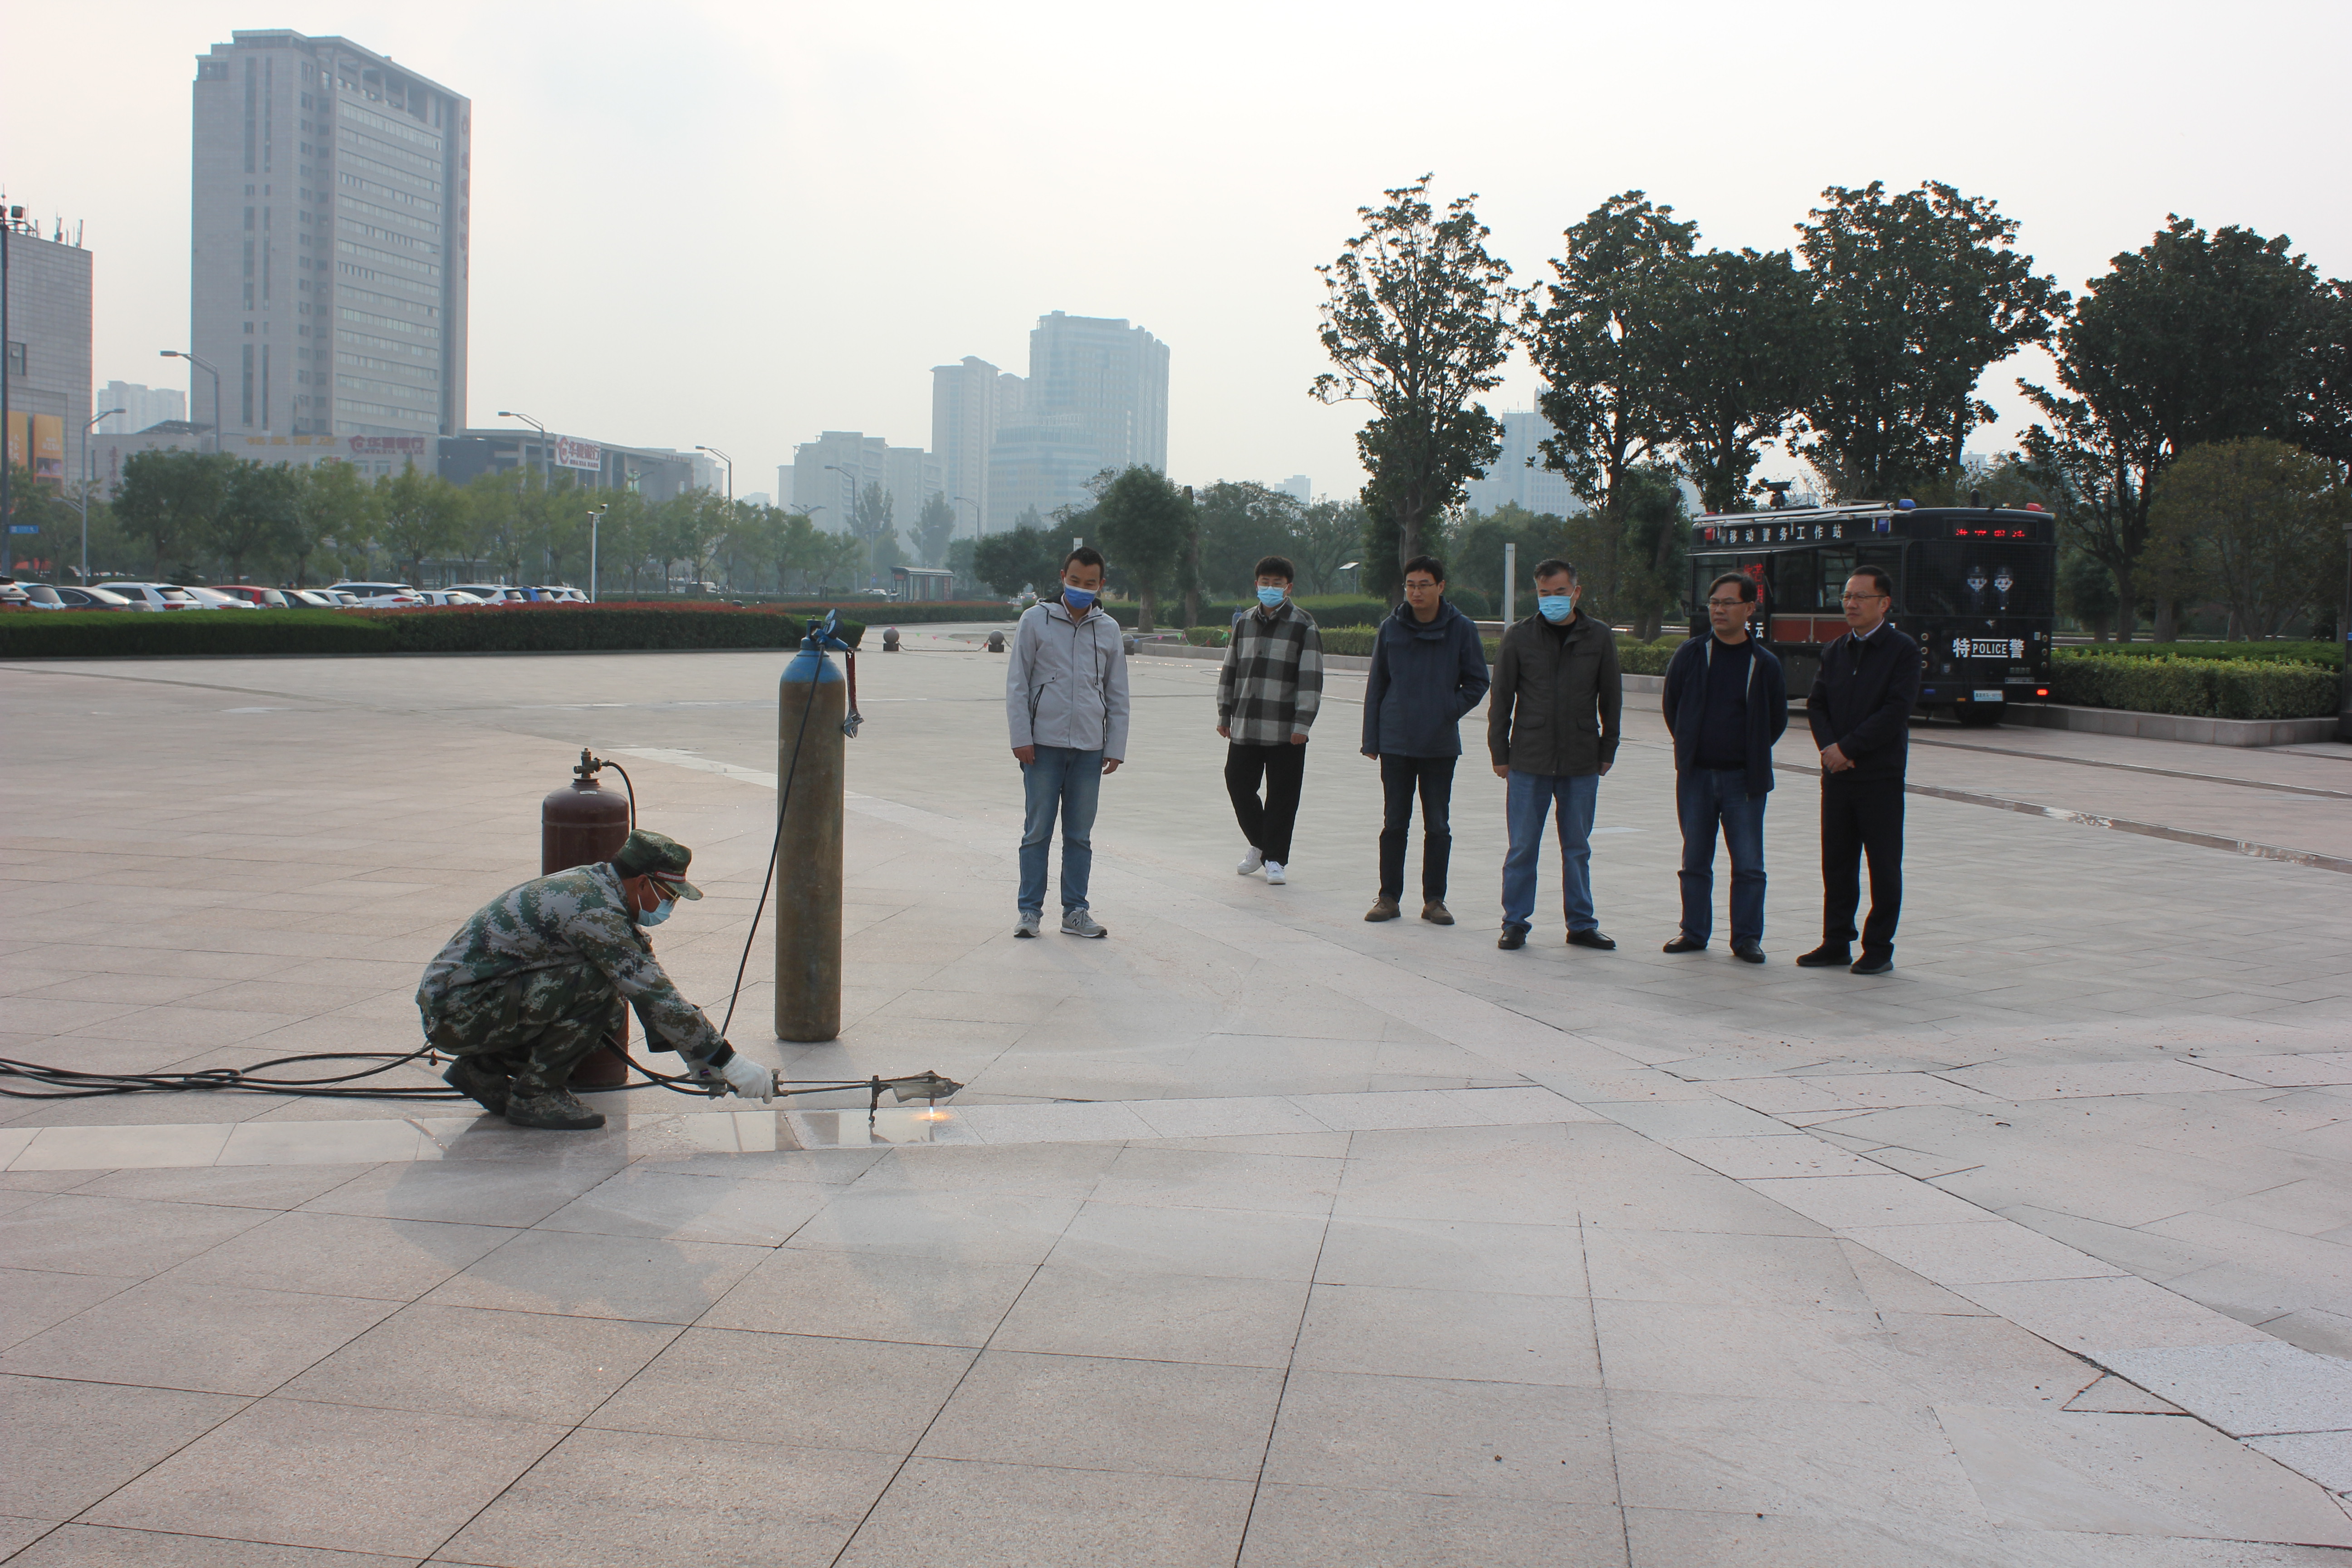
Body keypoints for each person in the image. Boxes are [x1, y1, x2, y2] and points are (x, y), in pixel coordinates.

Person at [416, 828, 772, 1131]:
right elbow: (651, 991)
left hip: (471, 1003)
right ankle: (536, 1096)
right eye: (669, 896)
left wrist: (699, 1058)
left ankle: (483, 1069)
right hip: (458, 1013)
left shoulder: (599, 889)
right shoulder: (594, 909)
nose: (670, 907)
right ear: (643, 882)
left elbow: (648, 977)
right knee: (598, 987)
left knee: (610, 1004)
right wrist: (728, 1061)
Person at [1488, 559, 1622, 951]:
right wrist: (1500, 751)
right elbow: (1502, 699)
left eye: (1560, 592)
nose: (1552, 600)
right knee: (1522, 847)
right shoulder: (1519, 636)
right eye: (1544, 594)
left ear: (1576, 592)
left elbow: (1612, 697)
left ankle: (1581, 923)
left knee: (1578, 847)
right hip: (1529, 758)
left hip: (1581, 759)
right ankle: (1515, 922)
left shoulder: (1598, 636)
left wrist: (1608, 747)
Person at [1661, 573, 1789, 962]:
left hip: (1744, 781)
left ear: (1750, 609)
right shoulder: (1691, 654)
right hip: (1696, 776)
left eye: (1728, 603)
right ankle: (1694, 932)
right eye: (1714, 602)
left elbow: (1777, 720)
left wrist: (1747, 749)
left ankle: (1747, 938)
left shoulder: (1763, 663)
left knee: (1749, 864)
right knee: (1695, 859)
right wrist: (1691, 749)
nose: (1718, 609)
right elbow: (1673, 708)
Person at [1800, 565, 1921, 975]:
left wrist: (1849, 748)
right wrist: (1830, 750)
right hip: (1837, 779)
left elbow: (1896, 711)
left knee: (1883, 866)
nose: (1850, 604)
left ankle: (1879, 948)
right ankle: (1836, 942)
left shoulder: (1902, 651)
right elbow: (1816, 705)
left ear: (1884, 603)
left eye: (1860, 597)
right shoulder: (1836, 650)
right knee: (1837, 862)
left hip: (1879, 778)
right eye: (1846, 597)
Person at [1006, 545, 1130, 939]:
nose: (1081, 588)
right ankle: (1029, 912)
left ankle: (1076, 911)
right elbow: (1017, 684)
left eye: (1089, 583)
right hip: (1042, 746)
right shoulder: (1035, 620)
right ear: (1063, 576)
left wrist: (1115, 747)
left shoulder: (1108, 629)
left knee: (1079, 835)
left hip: (1090, 750)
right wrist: (1021, 738)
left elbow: (1118, 693)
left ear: (1101, 585)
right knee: (1038, 831)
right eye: (1075, 580)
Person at [1360, 554, 1489, 924]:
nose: (1416, 592)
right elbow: (1377, 686)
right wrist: (1372, 739)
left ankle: (1435, 900)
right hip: (1396, 742)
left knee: (1438, 824)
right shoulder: (1392, 627)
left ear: (1441, 587)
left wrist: (1447, 710)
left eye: (1424, 585)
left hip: (1439, 744)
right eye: (1411, 585)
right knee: (1395, 822)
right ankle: (1388, 897)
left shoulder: (1462, 628)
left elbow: (1478, 681)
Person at [1218, 555, 1323, 887]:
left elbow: (1311, 678)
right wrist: (1224, 712)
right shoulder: (1244, 622)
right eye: (1265, 582)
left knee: (1283, 795)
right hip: (1247, 723)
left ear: (1289, 587)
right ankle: (1264, 845)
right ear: (1256, 584)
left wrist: (1302, 724)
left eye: (1277, 583)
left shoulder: (1303, 625)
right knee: (1238, 783)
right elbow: (1230, 670)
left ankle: (1276, 859)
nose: (1270, 588)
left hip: (1285, 728)